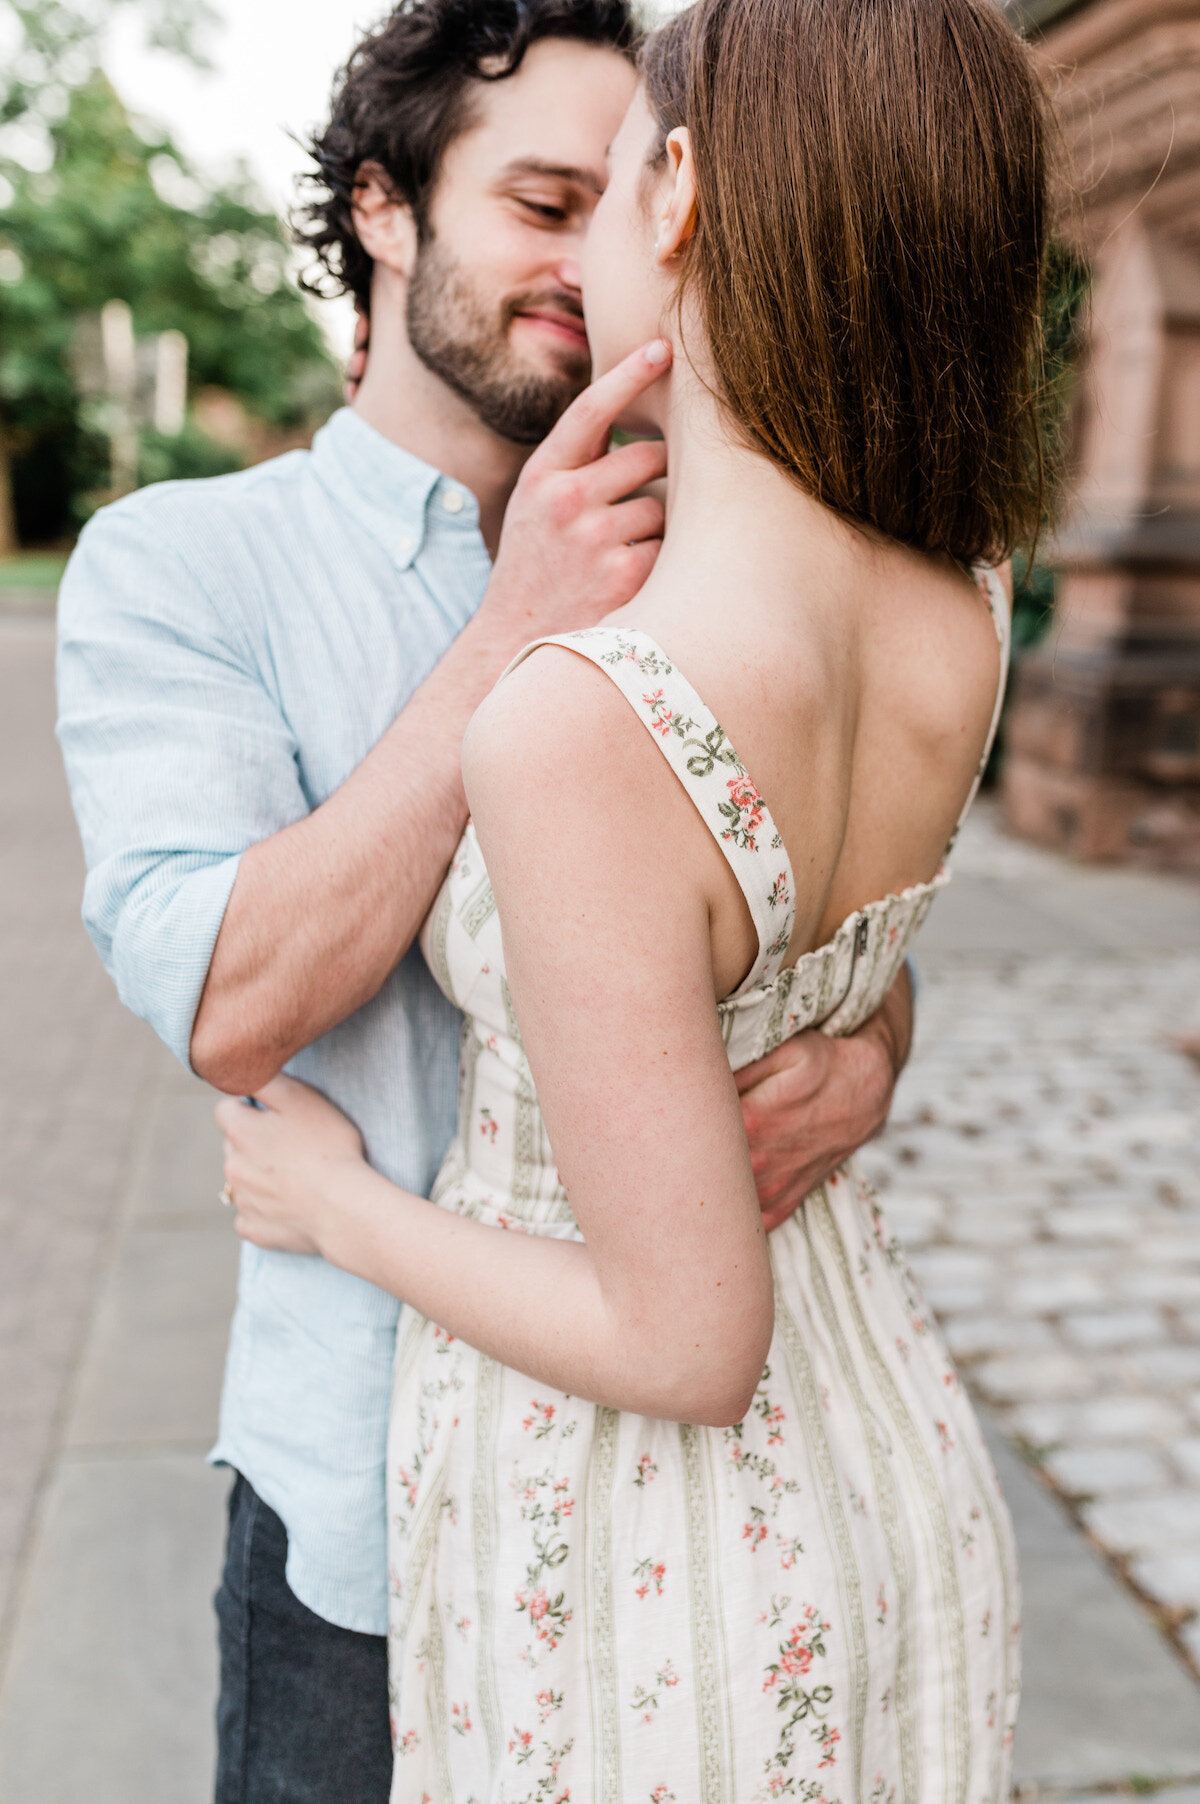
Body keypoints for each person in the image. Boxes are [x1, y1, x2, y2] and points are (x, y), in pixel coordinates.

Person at [54, 0, 914, 1798]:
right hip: (364, 1522)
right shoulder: (185, 565)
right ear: (381, 207)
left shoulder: (718, 534)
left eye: (617, 200)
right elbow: (229, 1002)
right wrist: (514, 628)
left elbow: (826, 890)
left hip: (691, 1518)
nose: (585, 258)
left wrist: (880, 1043)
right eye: (539, 199)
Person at [218, 0, 1051, 1795]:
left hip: (641, 1560)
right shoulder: (964, 601)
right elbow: (829, 945)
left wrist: (331, 1205)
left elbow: (684, 1340)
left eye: (594, 193)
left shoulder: (584, 723)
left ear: (675, 193)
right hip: (882, 1456)